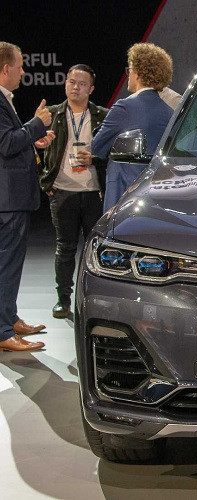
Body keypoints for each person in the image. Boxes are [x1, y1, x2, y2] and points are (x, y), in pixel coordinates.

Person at [38, 64, 108, 318]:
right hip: (63, 192)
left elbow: (113, 152)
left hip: (94, 193)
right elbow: (32, 148)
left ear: (91, 89)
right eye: (71, 82)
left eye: (81, 83)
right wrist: (46, 182)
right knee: (65, 248)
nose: (75, 87)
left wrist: (95, 159)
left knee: (94, 250)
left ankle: (93, 300)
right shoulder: (51, 114)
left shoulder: (103, 116)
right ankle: (63, 300)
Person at [0, 42, 53, 352]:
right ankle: (3, 331)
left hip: (13, 198)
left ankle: (9, 318)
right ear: (6, 68)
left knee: (10, 263)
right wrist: (36, 124)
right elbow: (6, 144)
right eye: (19, 67)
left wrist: (35, 138)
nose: (23, 72)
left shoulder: (5, 99)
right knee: (6, 264)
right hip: (8, 200)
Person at [91, 42, 173, 211]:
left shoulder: (124, 108)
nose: (128, 75)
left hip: (124, 192)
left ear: (137, 73)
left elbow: (97, 147)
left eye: (129, 69)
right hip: (157, 195)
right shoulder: (170, 113)